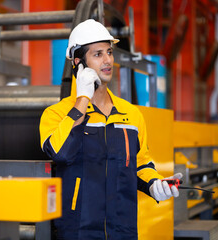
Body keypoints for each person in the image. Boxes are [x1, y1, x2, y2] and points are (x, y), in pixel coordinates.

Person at [39, 19, 181, 240]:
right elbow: (61, 153)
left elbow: (140, 162)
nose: (107, 61)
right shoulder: (55, 114)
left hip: (122, 230)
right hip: (78, 231)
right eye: (97, 55)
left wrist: (154, 183)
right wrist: (82, 100)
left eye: (109, 52)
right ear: (78, 62)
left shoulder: (130, 114)